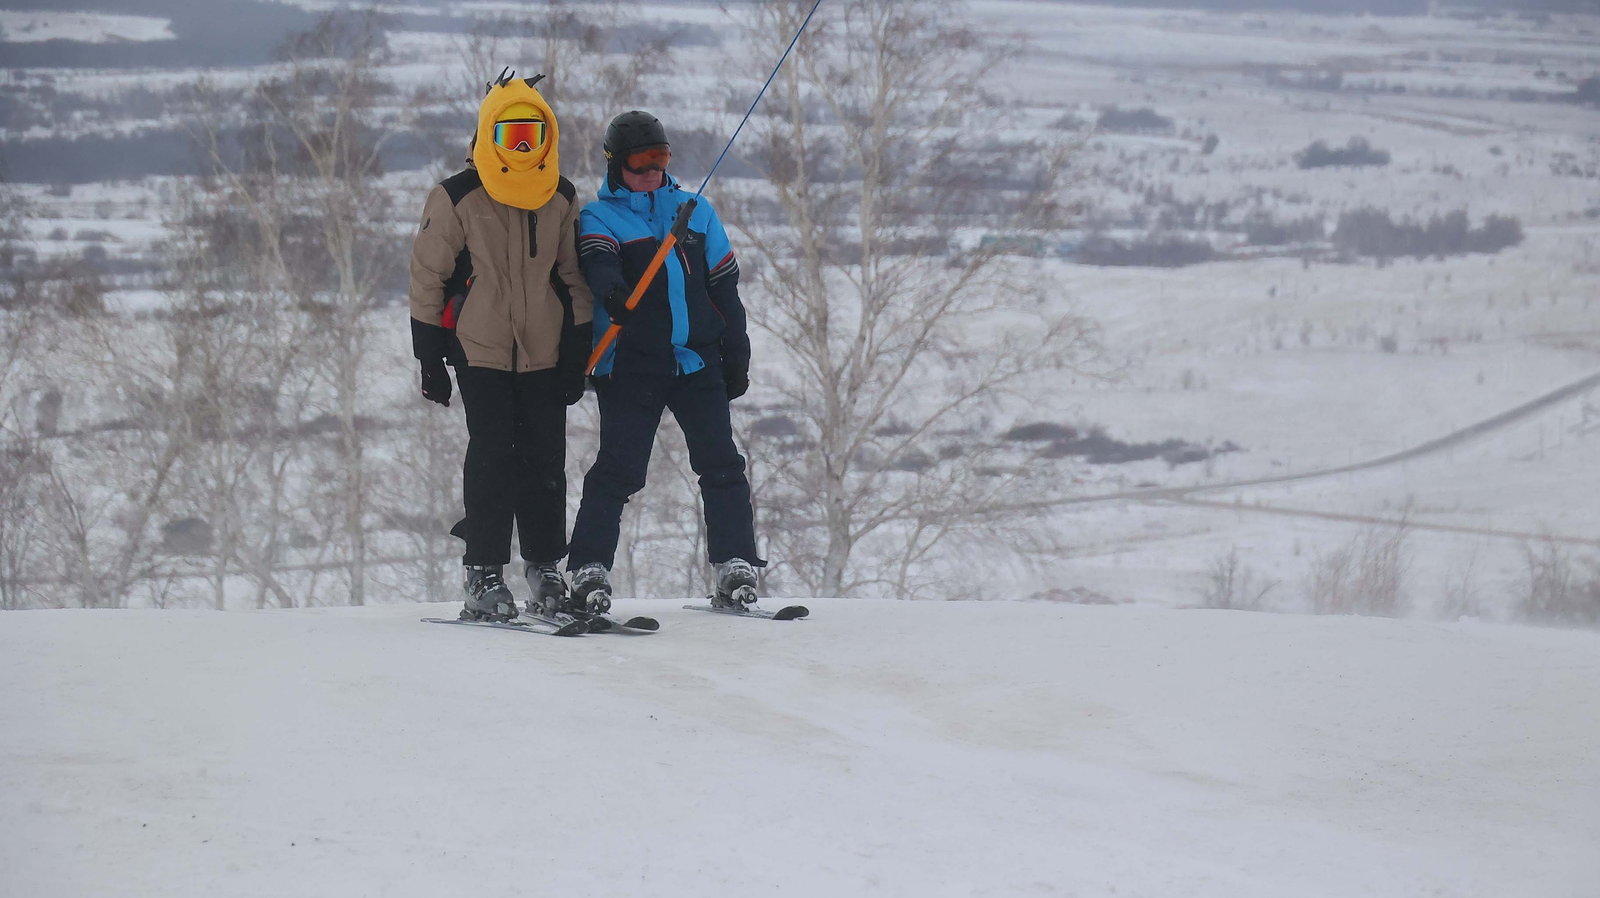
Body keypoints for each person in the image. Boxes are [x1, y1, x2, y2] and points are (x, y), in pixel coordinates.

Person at [408, 70, 593, 622]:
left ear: (547, 135)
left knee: (545, 460)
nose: (520, 147)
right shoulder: (456, 196)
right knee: (492, 456)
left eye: (529, 135)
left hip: (546, 349)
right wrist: (429, 356)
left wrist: (577, 348)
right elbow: (427, 276)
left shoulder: (560, 195)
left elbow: (573, 276)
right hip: (479, 346)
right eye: (510, 135)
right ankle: (483, 571)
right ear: (488, 133)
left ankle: (544, 568)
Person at [565, 110, 764, 610]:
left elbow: (724, 287)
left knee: (722, 466)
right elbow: (599, 263)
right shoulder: (600, 216)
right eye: (640, 160)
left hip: (697, 361)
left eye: (661, 157)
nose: (652, 169)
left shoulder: (697, 212)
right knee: (620, 470)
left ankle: (734, 563)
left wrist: (735, 351)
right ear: (616, 165)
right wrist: (613, 292)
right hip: (632, 365)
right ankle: (588, 569)